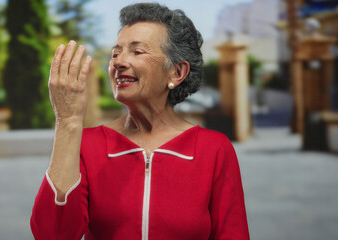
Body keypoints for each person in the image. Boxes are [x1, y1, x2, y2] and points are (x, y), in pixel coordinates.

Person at [31, 3, 249, 240]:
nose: (118, 62)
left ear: (177, 72)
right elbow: (52, 234)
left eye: (137, 51)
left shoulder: (214, 149)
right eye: (115, 53)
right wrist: (68, 121)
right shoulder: (88, 145)